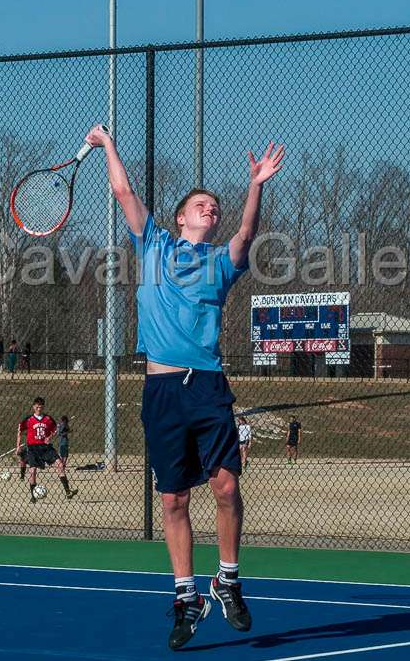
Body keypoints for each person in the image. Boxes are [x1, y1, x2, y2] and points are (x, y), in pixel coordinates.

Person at [89, 123, 283, 649]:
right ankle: (185, 596)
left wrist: (256, 186)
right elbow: (124, 192)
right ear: (179, 216)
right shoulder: (151, 245)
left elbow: (246, 235)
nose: (210, 210)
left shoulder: (222, 264)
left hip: (209, 388)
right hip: (162, 392)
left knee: (226, 487)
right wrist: (108, 145)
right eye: (201, 204)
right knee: (173, 500)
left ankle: (229, 581)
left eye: (214, 207)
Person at [16, 397, 77, 502]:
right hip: (33, 448)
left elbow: (55, 429)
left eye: (41, 406)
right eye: (37, 406)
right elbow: (20, 431)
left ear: (43, 407)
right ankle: (33, 496)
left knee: (60, 465)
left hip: (46, 448)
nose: (39, 408)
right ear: (33, 407)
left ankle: (68, 492)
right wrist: (18, 446)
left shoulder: (48, 419)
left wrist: (50, 437)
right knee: (33, 471)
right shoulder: (29, 419)